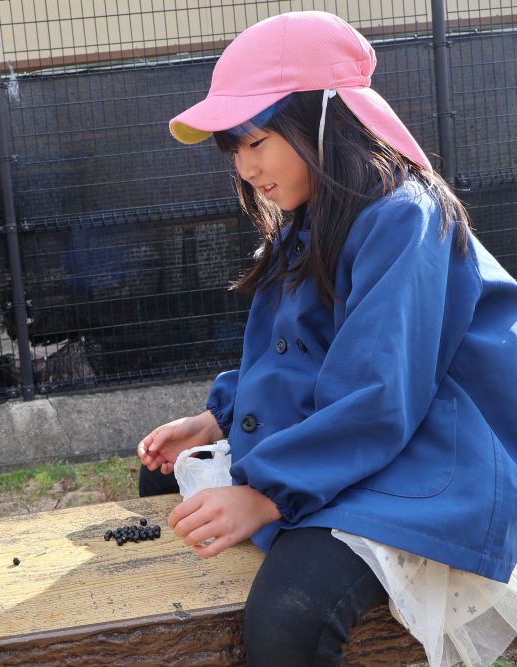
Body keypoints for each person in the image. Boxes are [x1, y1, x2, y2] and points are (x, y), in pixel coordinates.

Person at [136, 11, 517, 667]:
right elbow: (296, 350)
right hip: (362, 443)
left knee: (289, 617)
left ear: (323, 121)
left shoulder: (407, 215)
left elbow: (377, 391)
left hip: (431, 455)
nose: (245, 165)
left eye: (256, 140)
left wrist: (266, 492)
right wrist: (217, 416)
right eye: (233, 149)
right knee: (158, 481)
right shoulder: (312, 217)